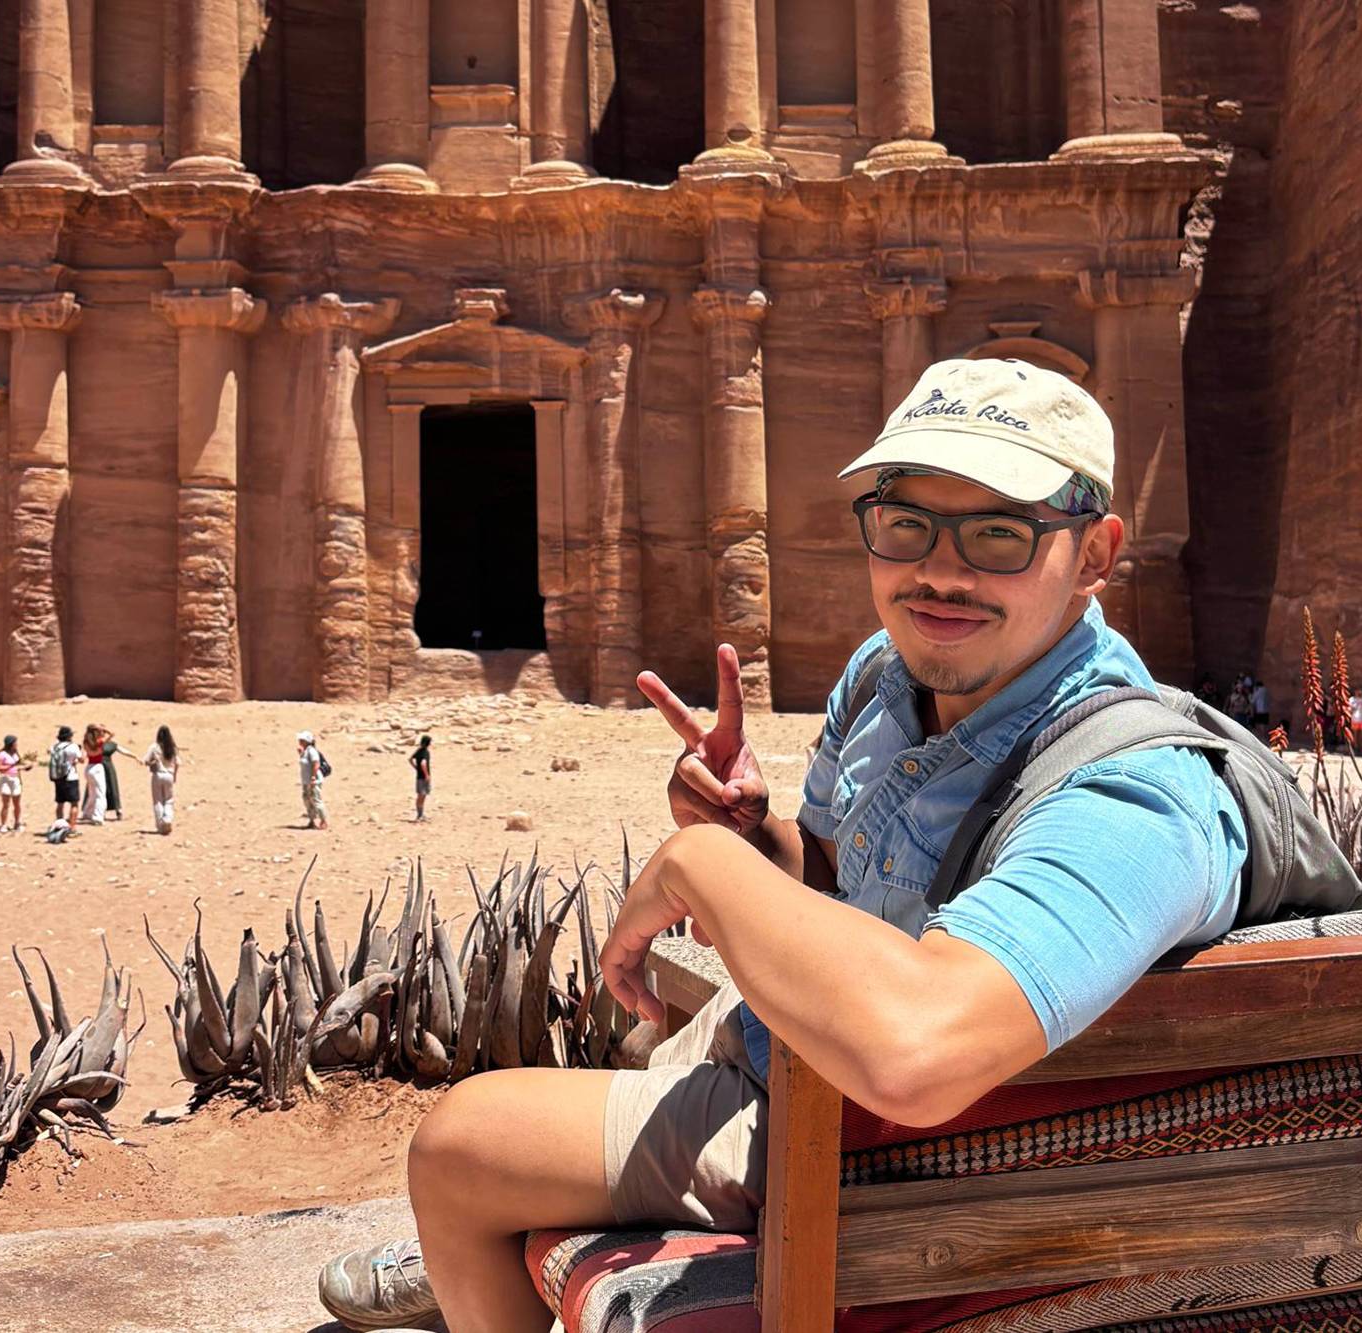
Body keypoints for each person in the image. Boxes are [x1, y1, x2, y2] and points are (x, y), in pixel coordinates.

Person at [317, 358, 1252, 1333]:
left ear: (1095, 555)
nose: (940, 568)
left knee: (456, 1148)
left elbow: (917, 1053)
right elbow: (835, 877)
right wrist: (746, 830)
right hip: (798, 1065)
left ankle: (474, 1225)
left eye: (997, 533)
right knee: (623, 1058)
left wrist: (698, 865)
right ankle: (508, 1221)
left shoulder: (1131, 788)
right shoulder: (886, 677)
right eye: (906, 523)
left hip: (868, 1143)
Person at [0, 735, 33, 833]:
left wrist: (24, 767)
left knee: (17, 803)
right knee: (6, 804)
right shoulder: (2, 754)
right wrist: (12, 765)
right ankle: (3, 824)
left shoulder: (15, 754)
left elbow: (18, 765)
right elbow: (0, 768)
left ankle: (17, 823)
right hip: (6, 779)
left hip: (15, 779)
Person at [145, 725, 179, 835]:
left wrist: (152, 763)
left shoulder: (154, 747)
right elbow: (177, 763)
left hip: (157, 775)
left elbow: (145, 760)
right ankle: (167, 819)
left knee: (158, 800)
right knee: (169, 800)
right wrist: (175, 776)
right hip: (169, 775)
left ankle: (160, 824)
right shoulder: (173, 748)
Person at [47, 725, 83, 824]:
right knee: (74, 803)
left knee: (60, 803)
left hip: (58, 777)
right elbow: (82, 759)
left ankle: (59, 825)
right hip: (71, 777)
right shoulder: (73, 746)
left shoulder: (54, 747)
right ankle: (72, 827)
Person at [298, 730, 328, 830]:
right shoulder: (305, 751)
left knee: (316, 799)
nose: (299, 741)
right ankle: (312, 820)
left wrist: (313, 777)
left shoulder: (311, 751)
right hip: (306, 781)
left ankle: (323, 821)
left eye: (301, 739)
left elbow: (316, 764)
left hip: (313, 780)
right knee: (307, 800)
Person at [80, 724, 108, 825]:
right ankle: (98, 817)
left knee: (92, 793)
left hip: (89, 767)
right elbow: (112, 734)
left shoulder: (86, 742)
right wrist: (103, 729)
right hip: (97, 767)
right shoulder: (99, 742)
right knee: (100, 793)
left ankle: (87, 813)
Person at [99, 728, 128, 821]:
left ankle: (118, 811)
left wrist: (135, 756)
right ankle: (101, 811)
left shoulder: (109, 744)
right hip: (100, 768)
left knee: (112, 788)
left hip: (107, 768)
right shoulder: (96, 743)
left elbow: (123, 750)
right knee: (101, 790)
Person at [410, 735, 433, 822]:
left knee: (420, 795)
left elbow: (410, 759)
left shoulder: (418, 751)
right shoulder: (425, 752)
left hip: (419, 776)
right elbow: (423, 763)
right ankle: (420, 815)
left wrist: (416, 767)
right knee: (422, 796)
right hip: (423, 777)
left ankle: (420, 814)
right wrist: (426, 775)